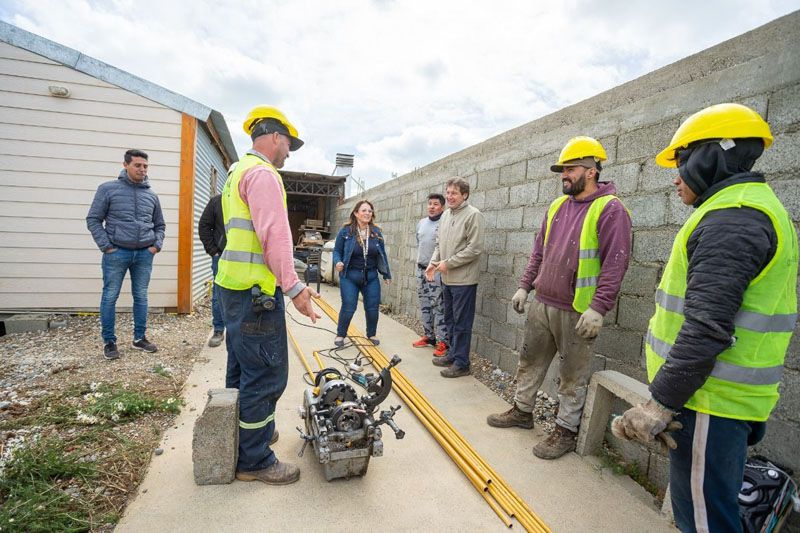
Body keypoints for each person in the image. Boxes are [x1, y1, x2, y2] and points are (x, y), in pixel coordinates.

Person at [612, 103, 797, 533]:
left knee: (704, 521)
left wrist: (660, 403)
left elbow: (705, 328)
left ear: (712, 155)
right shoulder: (750, 208)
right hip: (718, 401)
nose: (675, 177)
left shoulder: (732, 220)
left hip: (707, 402)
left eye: (681, 161)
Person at [486, 136, 632, 460]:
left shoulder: (610, 210)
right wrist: (526, 285)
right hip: (544, 304)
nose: (564, 175)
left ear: (591, 171)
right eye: (562, 170)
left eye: (570, 169)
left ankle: (565, 430)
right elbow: (539, 251)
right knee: (530, 361)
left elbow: (615, 263)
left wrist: (598, 308)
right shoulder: (556, 206)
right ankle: (522, 411)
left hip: (578, 310)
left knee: (572, 375)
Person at [215, 105, 320, 486]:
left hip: (233, 287)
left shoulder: (235, 173)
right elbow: (274, 236)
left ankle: (247, 437)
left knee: (242, 369)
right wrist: (294, 288)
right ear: (275, 136)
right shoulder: (263, 174)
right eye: (288, 144)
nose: (289, 152)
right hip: (257, 293)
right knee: (267, 374)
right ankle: (255, 460)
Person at [86, 149, 165, 361]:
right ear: (125, 165)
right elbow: (93, 219)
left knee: (141, 295)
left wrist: (155, 246)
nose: (142, 169)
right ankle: (109, 342)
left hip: (144, 254)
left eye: (145, 166)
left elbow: (160, 225)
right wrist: (107, 246)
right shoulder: (108, 189)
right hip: (116, 253)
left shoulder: (151, 195)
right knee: (110, 296)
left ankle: (139, 338)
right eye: (137, 165)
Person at [426, 177, 485, 378]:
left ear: (465, 195)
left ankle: (462, 363)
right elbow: (439, 244)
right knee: (450, 319)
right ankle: (452, 354)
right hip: (447, 279)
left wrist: (448, 263)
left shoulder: (473, 215)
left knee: (462, 322)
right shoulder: (445, 216)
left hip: (464, 281)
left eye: (454, 193)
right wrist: (433, 263)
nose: (449, 197)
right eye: (448, 192)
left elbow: (474, 249)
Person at [332, 200, 392, 346]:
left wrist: (386, 274)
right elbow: (337, 251)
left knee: (372, 307)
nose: (367, 213)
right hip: (350, 276)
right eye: (364, 210)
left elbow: (381, 254)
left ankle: (371, 334)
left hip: (370, 276)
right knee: (349, 306)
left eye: (370, 211)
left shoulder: (376, 233)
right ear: (356, 213)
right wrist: (338, 262)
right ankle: (340, 334)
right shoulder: (346, 231)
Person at [412, 193, 449, 357]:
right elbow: (420, 243)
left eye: (435, 204)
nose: (432, 207)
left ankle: (443, 341)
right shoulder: (421, 223)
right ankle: (429, 336)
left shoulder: (445, 223)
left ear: (442, 206)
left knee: (438, 305)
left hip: (435, 272)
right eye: (429, 204)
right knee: (425, 304)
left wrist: (434, 266)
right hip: (421, 270)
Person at [198, 193, 226, 347]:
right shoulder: (217, 201)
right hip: (221, 256)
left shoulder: (249, 199)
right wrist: (213, 251)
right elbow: (204, 225)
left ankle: (241, 331)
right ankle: (219, 330)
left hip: (244, 257)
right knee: (219, 294)